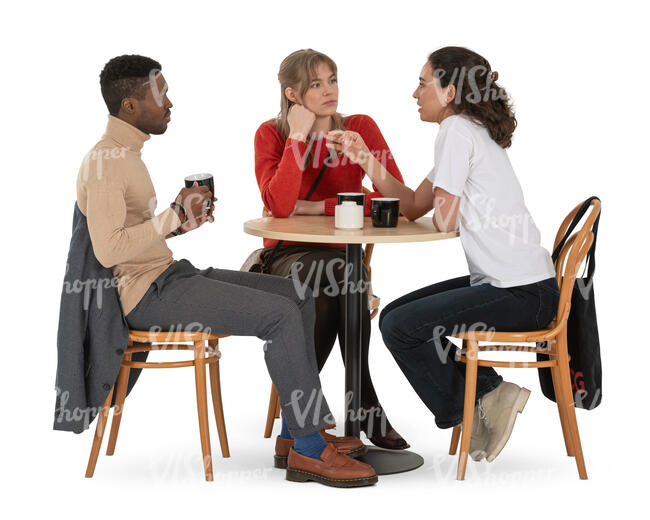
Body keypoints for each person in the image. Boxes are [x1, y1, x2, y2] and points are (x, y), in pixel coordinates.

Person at [76, 54, 377, 487]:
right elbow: (108, 252)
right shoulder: (107, 161)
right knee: (279, 315)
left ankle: (294, 434)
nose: (169, 102)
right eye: (160, 94)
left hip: (168, 275)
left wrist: (180, 224)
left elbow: (132, 237)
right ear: (129, 105)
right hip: (146, 295)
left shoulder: (127, 154)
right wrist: (173, 213)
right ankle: (311, 450)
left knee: (296, 295)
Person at [325, 46, 560, 462]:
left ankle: (481, 402)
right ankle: (490, 392)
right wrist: (365, 158)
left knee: (399, 326)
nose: (415, 93)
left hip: (521, 293)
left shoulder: (455, 132)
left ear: (449, 91)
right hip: (522, 286)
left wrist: (447, 196)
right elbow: (415, 205)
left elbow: (444, 220)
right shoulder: (468, 129)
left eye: (422, 82)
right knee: (400, 314)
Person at [254, 49, 408, 450]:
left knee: (340, 278)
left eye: (333, 80)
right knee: (342, 279)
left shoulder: (360, 128)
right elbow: (281, 205)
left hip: (344, 258)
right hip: (287, 257)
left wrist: (321, 203)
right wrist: (300, 135)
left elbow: (398, 206)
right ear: (292, 94)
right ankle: (363, 408)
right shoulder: (271, 134)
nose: (329, 91)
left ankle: (299, 423)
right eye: (315, 84)